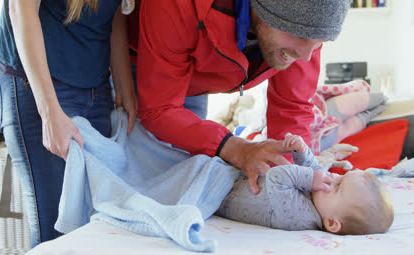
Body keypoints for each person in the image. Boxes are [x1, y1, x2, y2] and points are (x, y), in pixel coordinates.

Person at [128, 0, 353, 194]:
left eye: (320, 41)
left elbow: (292, 107)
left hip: (195, 71)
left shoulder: (308, 32)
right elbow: (160, 108)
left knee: (181, 173)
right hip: (135, 60)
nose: (306, 56)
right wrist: (237, 148)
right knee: (136, 177)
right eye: (299, 35)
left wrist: (297, 176)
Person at [0, 0, 136, 246]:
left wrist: (125, 88)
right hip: (41, 84)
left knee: (98, 227)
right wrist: (49, 113)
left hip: (97, 83)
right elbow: (21, 9)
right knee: (57, 233)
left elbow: (114, 13)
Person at [216, 133, 394, 235]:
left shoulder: (300, 217)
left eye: (338, 186)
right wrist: (301, 150)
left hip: (220, 192)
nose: (332, 176)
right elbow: (315, 169)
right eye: (341, 176)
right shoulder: (322, 200)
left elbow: (276, 177)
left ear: (331, 222)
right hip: (234, 174)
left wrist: (310, 177)